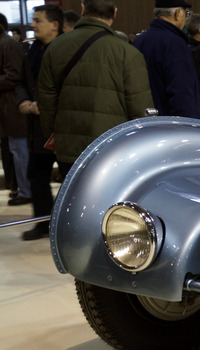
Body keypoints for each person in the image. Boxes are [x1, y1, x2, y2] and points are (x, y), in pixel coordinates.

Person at [38, 0, 153, 181]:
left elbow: (46, 99)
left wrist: (56, 135)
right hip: (111, 149)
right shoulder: (128, 53)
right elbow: (140, 107)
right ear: (115, 13)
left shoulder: (56, 47)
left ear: (83, 9)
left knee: (74, 200)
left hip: (68, 144)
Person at [15, 4, 62, 239]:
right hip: (38, 127)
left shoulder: (66, 49)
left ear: (54, 25)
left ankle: (67, 227)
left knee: (71, 178)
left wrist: (42, 106)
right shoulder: (33, 50)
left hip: (64, 127)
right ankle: (43, 222)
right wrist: (24, 100)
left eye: (37, 20)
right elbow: (21, 80)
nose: (32, 25)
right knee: (37, 175)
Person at [133, 0, 200, 119]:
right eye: (186, 14)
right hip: (171, 126)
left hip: (145, 121)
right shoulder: (175, 43)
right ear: (178, 13)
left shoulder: (139, 41)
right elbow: (181, 92)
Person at [0, 13, 30, 206]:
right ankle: (22, 188)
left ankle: (26, 191)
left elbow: (13, 75)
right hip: (7, 105)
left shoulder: (8, 44)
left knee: (19, 150)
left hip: (13, 105)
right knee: (14, 149)